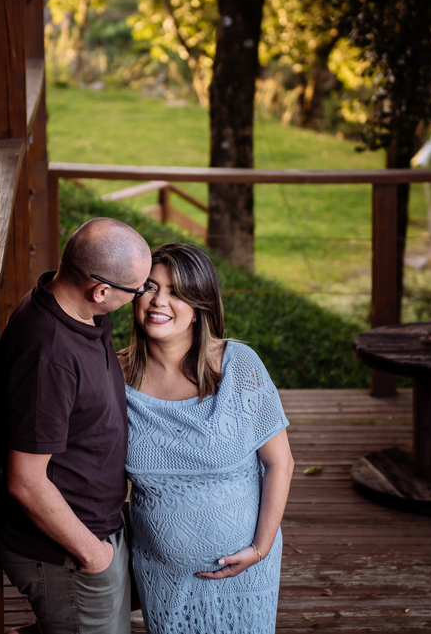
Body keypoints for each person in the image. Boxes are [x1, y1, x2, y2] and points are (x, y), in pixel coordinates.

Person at [121, 243, 295, 633]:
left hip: (246, 569)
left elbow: (280, 463)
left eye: (176, 292)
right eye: (150, 287)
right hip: (162, 574)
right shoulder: (114, 378)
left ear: (200, 305)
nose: (158, 301)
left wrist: (260, 548)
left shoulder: (238, 366)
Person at [0, 217, 152, 634]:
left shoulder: (72, 310)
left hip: (96, 529)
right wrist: (93, 555)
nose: (143, 297)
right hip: (67, 550)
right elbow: (26, 481)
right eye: (138, 290)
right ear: (101, 291)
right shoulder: (49, 356)